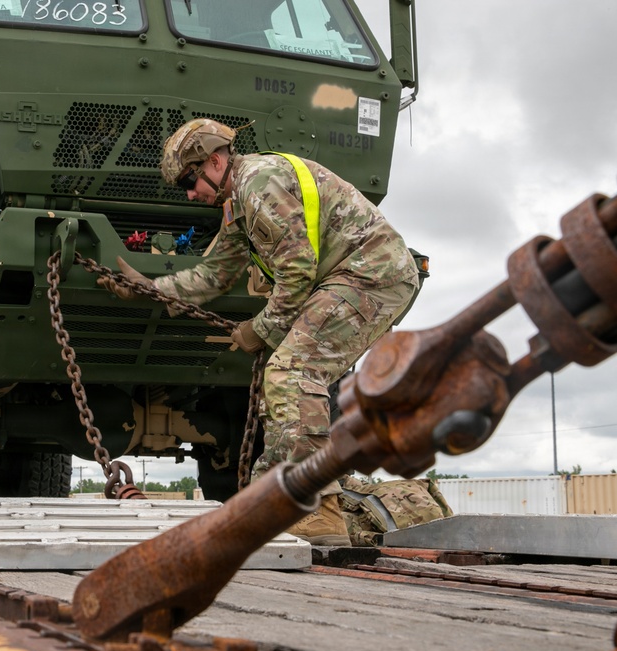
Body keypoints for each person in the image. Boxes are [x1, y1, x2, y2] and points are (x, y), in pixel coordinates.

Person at [98, 118, 419, 545]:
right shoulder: (238, 203)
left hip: (370, 276)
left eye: (190, 182)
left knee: (292, 371)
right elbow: (215, 275)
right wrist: (151, 290)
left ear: (215, 161)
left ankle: (315, 511)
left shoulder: (260, 183)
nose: (191, 194)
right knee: (284, 375)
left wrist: (259, 330)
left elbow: (297, 272)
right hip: (350, 279)